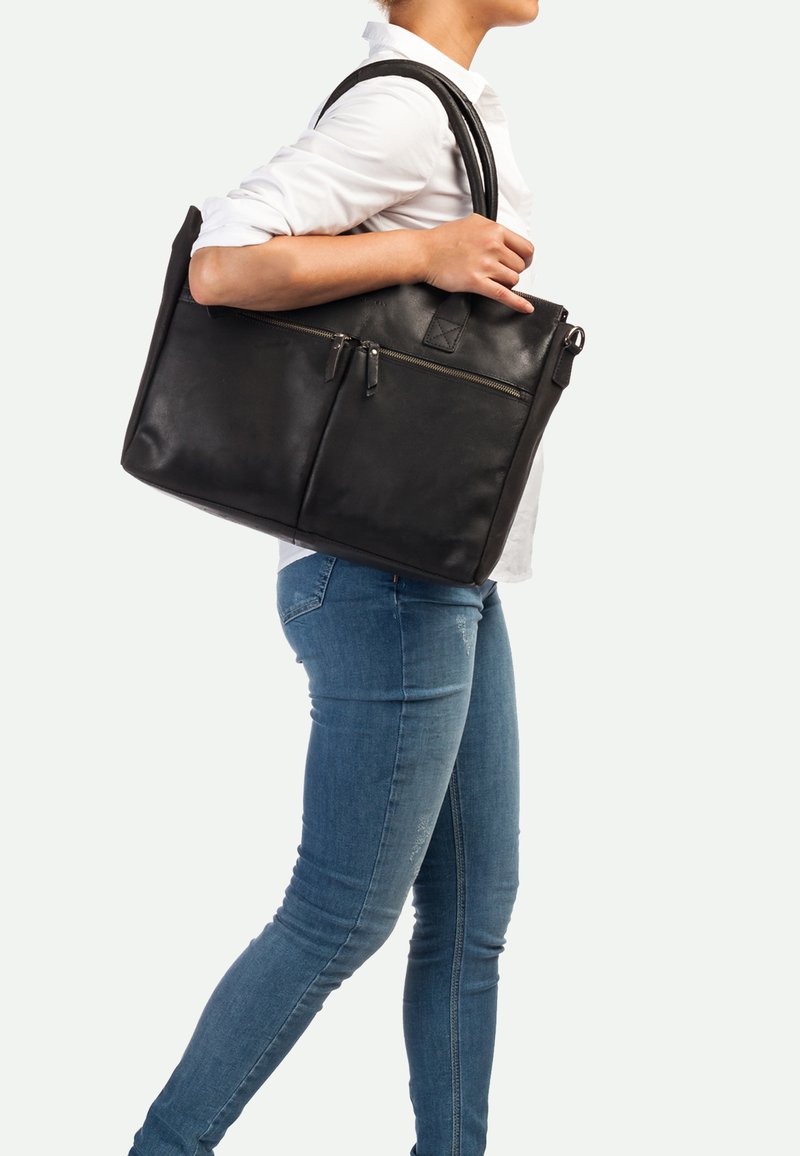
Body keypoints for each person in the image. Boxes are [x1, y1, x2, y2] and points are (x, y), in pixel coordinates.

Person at [129, 2, 543, 1154]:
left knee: (470, 912)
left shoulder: (449, 111)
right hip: (383, 577)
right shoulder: (404, 109)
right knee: (339, 914)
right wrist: (420, 252)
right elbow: (220, 265)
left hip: (444, 569)